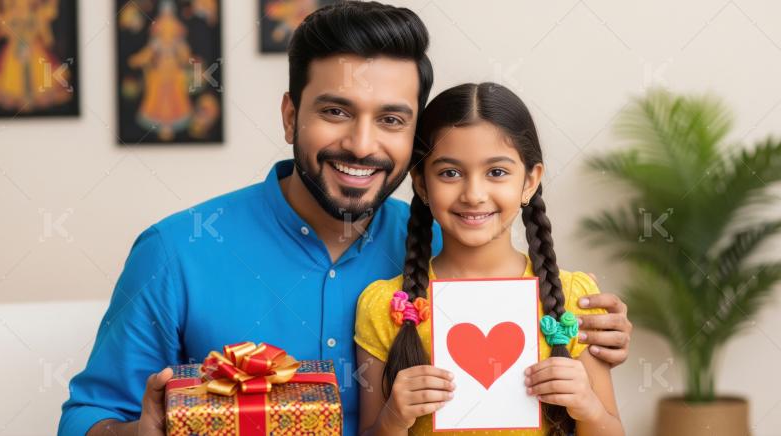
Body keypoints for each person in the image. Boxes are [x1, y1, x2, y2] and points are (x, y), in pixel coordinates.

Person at [58, 3, 632, 435]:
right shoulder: (176, 251)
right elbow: (89, 415)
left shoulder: (452, 240)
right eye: (335, 111)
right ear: (291, 117)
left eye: (391, 120)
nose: (361, 145)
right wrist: (138, 432)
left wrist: (589, 330)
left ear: (416, 143)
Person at [355, 83, 624, 435]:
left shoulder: (574, 297)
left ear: (530, 181)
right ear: (421, 183)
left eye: (496, 172)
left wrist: (588, 408)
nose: (474, 194)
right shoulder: (384, 305)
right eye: (450, 173)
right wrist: (392, 418)